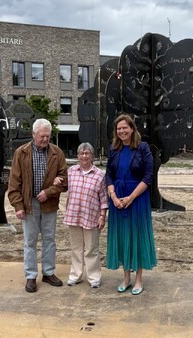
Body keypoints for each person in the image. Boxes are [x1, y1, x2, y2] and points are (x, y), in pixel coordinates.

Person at [8, 118, 68, 293]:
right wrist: (18, 205)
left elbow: (64, 181)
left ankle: (48, 273)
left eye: (48, 136)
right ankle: (31, 276)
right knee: (30, 241)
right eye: (42, 136)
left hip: (49, 204)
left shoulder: (57, 153)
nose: (45, 139)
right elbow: (14, 183)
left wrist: (49, 191)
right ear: (33, 134)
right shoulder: (21, 153)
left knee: (49, 240)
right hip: (28, 204)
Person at [105, 113, 156, 295]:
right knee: (122, 236)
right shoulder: (114, 149)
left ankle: (138, 279)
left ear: (132, 129)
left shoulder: (143, 148)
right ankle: (126, 277)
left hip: (137, 199)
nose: (121, 131)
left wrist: (131, 197)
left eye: (125, 127)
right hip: (117, 199)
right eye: (119, 129)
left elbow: (148, 176)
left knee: (137, 237)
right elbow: (109, 174)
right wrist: (113, 195)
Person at [56, 142, 108, 288]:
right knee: (76, 248)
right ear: (78, 156)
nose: (84, 156)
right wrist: (57, 182)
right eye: (81, 153)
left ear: (92, 156)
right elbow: (63, 187)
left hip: (91, 216)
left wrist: (102, 216)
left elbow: (104, 198)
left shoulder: (99, 175)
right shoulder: (71, 171)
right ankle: (76, 275)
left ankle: (94, 277)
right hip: (74, 215)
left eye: (87, 153)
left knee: (91, 248)